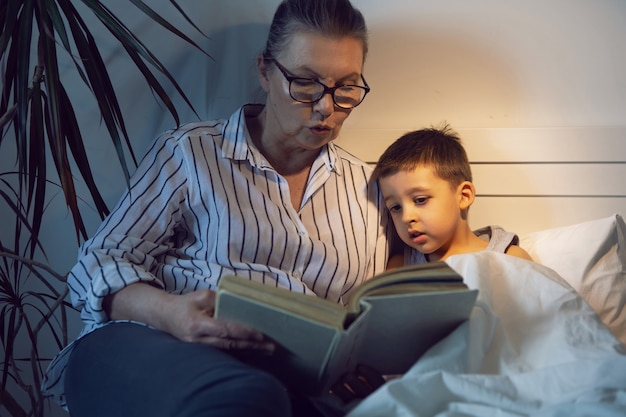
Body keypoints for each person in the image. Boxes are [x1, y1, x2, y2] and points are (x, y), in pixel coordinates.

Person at [41, 1, 392, 416]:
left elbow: (393, 300)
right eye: (305, 83)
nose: (325, 107)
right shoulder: (191, 152)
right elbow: (97, 263)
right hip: (158, 344)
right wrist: (171, 313)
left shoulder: (367, 188)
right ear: (265, 71)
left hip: (289, 379)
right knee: (247, 396)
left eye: (346, 87)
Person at [373, 125, 532, 268]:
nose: (406, 217)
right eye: (395, 207)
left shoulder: (509, 258)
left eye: (420, 200)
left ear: (463, 196)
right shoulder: (400, 267)